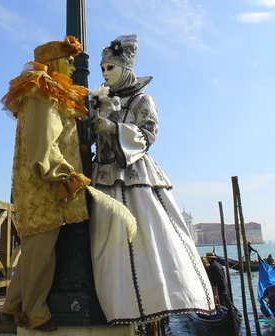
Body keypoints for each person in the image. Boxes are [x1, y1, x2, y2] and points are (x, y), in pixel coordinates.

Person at [90, 34, 215, 327]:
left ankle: (158, 301)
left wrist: (113, 128)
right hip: (103, 176)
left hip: (134, 177)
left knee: (145, 240)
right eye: (103, 69)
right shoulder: (99, 100)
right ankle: (115, 304)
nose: (105, 74)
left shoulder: (142, 100)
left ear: (125, 68)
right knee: (107, 243)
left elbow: (147, 136)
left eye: (110, 68)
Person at [1, 36, 91, 331]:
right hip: (45, 184)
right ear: (53, 62)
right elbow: (41, 147)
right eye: (67, 61)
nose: (71, 67)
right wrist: (66, 175)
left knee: (33, 250)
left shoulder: (42, 93)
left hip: (37, 182)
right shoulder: (43, 93)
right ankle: (34, 312)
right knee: (42, 252)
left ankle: (13, 304)